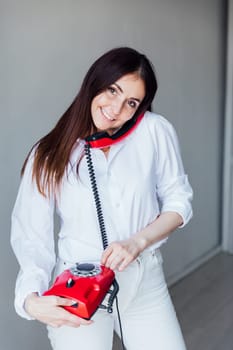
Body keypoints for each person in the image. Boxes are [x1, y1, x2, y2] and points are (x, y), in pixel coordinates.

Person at [11, 47, 193, 350]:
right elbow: (31, 238)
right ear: (94, 82)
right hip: (80, 287)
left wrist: (138, 242)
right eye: (112, 90)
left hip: (144, 280)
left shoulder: (154, 131)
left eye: (130, 102)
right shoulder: (46, 155)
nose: (116, 108)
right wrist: (30, 300)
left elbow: (179, 201)